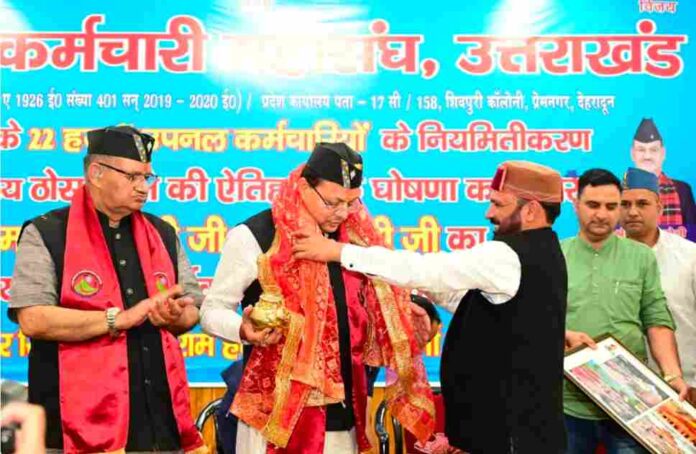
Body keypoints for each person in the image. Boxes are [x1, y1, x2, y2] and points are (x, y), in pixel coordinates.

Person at [293, 160, 569, 454]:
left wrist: (337, 251)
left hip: (511, 440)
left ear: (531, 210)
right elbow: (471, 302)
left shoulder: (506, 256)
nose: (489, 213)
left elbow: (426, 269)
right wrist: (407, 298)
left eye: (498, 204)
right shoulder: (545, 251)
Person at [200, 142, 434, 454]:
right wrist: (242, 330)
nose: (343, 213)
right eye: (332, 202)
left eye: (351, 202)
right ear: (304, 186)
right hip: (273, 420)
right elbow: (212, 310)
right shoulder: (256, 236)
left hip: (345, 418)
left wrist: (410, 313)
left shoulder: (356, 241)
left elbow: (378, 302)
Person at [8, 125, 206, 453]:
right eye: (133, 177)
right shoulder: (47, 233)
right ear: (96, 173)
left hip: (158, 424)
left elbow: (192, 309)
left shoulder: (162, 234)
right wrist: (117, 319)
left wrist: (175, 316)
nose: (143, 187)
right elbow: (33, 319)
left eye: (147, 177)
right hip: (72, 427)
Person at [562, 168, 687, 454]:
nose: (602, 214)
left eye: (611, 206)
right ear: (576, 205)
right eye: (593, 205)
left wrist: (672, 374)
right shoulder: (556, 255)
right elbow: (537, 322)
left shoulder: (641, 257)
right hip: (567, 403)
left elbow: (656, 319)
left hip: (630, 400)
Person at [620, 167, 696, 404]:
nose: (633, 212)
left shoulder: (690, 256)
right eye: (625, 204)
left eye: (642, 204)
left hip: (687, 388)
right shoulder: (606, 259)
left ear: (660, 209)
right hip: (625, 391)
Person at [630, 118, 696, 234]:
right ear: (633, 154)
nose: (647, 156)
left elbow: (694, 234)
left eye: (653, 150)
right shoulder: (618, 191)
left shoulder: (682, 190)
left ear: (663, 153)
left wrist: (680, 234)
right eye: (641, 150)